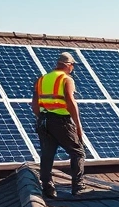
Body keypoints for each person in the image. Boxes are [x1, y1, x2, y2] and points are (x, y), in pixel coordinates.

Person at [31, 51, 85, 199]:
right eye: (72, 65)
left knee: (47, 155)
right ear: (68, 65)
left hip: (43, 120)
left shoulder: (41, 79)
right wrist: (78, 125)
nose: (73, 68)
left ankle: (48, 188)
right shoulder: (66, 79)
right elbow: (70, 101)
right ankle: (78, 187)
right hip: (61, 121)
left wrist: (42, 117)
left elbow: (34, 104)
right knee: (78, 152)